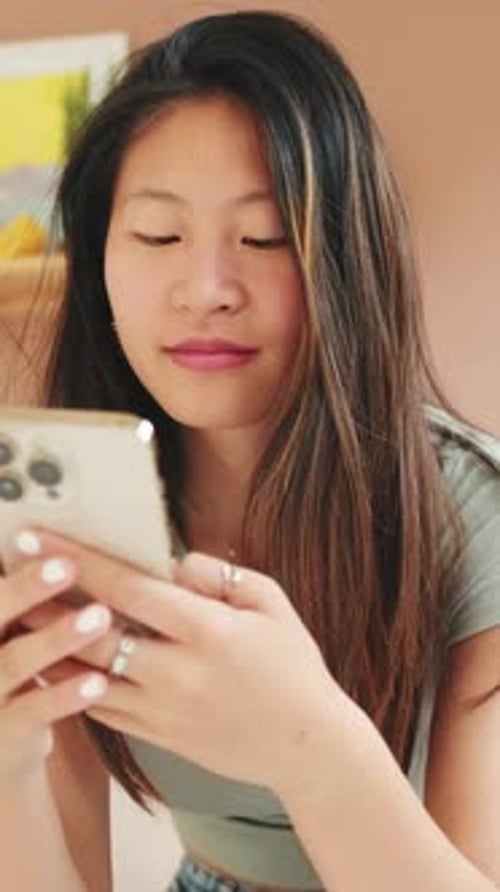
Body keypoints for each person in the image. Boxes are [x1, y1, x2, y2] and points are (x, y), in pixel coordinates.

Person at [0, 9, 498, 891]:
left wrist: (307, 745)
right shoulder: (81, 504)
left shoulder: (471, 511)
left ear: (349, 258)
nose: (207, 291)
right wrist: (10, 763)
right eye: (158, 236)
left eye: (266, 238)